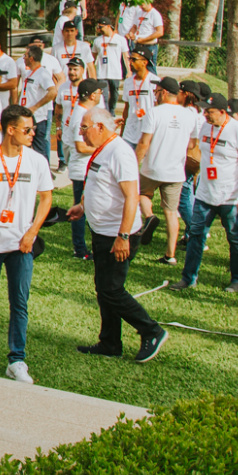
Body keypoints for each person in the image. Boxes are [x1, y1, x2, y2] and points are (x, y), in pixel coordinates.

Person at [0, 104, 56, 382]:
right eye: (27, 130)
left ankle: (17, 360)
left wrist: (32, 232)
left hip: (22, 245)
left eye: (33, 129)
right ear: (10, 129)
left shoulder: (37, 161)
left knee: (20, 301)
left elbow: (47, 197)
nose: (33, 133)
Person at [70, 105, 169, 362]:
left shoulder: (120, 153)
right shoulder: (103, 150)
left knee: (111, 290)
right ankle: (110, 342)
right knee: (104, 288)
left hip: (117, 234)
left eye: (84, 128)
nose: (81, 133)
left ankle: (152, 331)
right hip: (101, 231)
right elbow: (99, 185)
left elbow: (131, 197)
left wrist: (123, 236)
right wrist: (83, 206)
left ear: (100, 127)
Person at [169, 94, 238, 293]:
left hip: (231, 196)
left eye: (209, 112)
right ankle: (188, 278)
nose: (205, 115)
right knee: (196, 236)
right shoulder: (206, 127)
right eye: (205, 111)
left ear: (222, 112)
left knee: (235, 238)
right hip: (205, 194)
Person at [134, 76, 195, 266]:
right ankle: (170, 254)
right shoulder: (189, 115)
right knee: (171, 211)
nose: (155, 94)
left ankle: (149, 216)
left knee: (141, 194)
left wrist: (134, 162)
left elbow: (144, 142)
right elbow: (192, 144)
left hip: (153, 167)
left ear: (165, 93)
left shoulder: (154, 112)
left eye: (157, 91)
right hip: (176, 170)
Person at [61, 80, 104, 260]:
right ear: (93, 95)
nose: (101, 95)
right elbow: (80, 146)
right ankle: (80, 249)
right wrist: (103, 147)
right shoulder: (81, 115)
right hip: (82, 170)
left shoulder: (83, 112)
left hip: (84, 168)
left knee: (87, 208)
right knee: (82, 209)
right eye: (100, 92)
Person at [20, 45, 58, 163]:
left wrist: (35, 107)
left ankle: (44, 172)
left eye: (25, 55)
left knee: (39, 151)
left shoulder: (43, 73)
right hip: (26, 118)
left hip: (38, 119)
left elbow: (53, 91)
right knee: (24, 150)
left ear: (31, 58)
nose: (23, 58)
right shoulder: (29, 73)